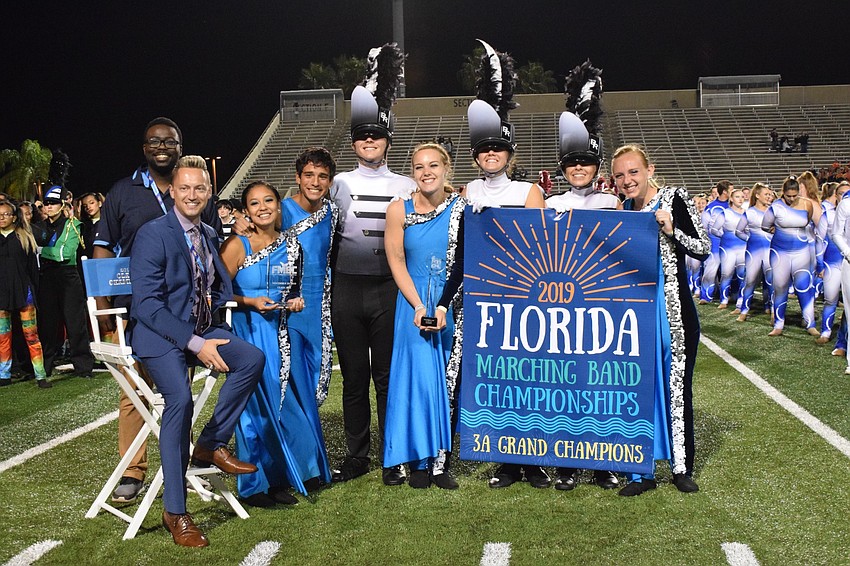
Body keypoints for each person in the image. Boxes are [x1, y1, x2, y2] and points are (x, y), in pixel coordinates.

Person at [129, 156, 263, 548]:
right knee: (180, 400)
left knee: (251, 358)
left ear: (208, 193)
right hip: (160, 338)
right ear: (172, 191)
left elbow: (215, 286)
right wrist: (196, 343)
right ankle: (176, 511)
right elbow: (148, 306)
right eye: (184, 188)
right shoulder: (153, 234)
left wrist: (217, 322)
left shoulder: (207, 232)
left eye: (199, 189)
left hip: (202, 331)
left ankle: (210, 443)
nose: (192, 195)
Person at [93, 117, 223, 504]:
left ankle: (179, 461)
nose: (162, 146)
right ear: (144, 147)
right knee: (135, 393)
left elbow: (213, 249)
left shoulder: (192, 188)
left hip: (183, 314)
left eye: (170, 141)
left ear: (181, 146)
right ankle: (133, 471)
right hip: (134, 309)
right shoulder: (122, 192)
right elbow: (102, 249)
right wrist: (103, 315)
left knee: (177, 389)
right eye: (154, 141)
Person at [463, 40, 548, 489]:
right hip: (485, 299)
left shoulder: (529, 191)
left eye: (498, 149)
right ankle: (506, 459)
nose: (490, 154)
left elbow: (541, 246)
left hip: (526, 295)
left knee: (529, 377)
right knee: (496, 379)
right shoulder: (469, 193)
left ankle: (533, 460)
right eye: (484, 149)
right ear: (477, 155)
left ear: (510, 154)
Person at [330, 44, 416, 486]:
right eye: (362, 137)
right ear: (353, 142)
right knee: (354, 379)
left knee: (387, 377)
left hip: (388, 288)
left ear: (387, 140)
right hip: (346, 287)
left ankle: (393, 453)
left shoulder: (405, 183)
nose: (369, 141)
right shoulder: (338, 183)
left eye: (377, 136)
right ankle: (357, 454)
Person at [611, 144, 710, 496]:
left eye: (633, 172)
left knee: (676, 388)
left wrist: (671, 231)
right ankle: (641, 471)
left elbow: (703, 248)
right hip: (634, 314)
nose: (627, 180)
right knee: (637, 387)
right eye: (620, 175)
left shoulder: (674, 197)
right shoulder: (622, 207)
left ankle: (681, 468)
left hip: (672, 312)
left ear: (649, 169)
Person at [543, 60, 620, 491]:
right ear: (562, 166)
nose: (578, 168)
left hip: (602, 308)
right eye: (571, 162)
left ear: (596, 165)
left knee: (600, 386)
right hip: (560, 305)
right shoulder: (550, 205)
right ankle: (568, 462)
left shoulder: (613, 205)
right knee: (564, 386)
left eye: (585, 162)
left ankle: (603, 461)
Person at [220, 180, 320, 506]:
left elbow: (294, 291)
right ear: (245, 210)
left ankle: (279, 478)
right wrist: (249, 303)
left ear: (279, 206)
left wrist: (295, 302)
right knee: (252, 413)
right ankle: (253, 486)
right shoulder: (239, 244)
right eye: (254, 203)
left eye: (268, 201)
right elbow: (215, 293)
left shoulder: (292, 246)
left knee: (281, 408)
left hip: (279, 337)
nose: (262, 207)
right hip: (246, 336)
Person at [383, 143, 466, 489]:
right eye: (419, 167)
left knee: (444, 381)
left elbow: (463, 261)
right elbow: (397, 261)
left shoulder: (462, 207)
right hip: (411, 302)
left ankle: (439, 461)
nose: (426, 172)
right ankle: (412, 459)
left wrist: (443, 305)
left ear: (446, 168)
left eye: (433, 165)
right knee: (413, 379)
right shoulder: (397, 209)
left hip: (451, 304)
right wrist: (418, 305)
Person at [33, 185, 93, 378]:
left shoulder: (73, 225)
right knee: (48, 325)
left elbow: (64, 254)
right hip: (47, 279)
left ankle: (83, 367)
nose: (49, 206)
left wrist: (40, 251)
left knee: (76, 323)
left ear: (62, 205)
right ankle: (46, 367)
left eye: (53, 203)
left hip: (68, 277)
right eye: (47, 203)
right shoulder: (40, 227)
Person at [0, 199, 49, 388]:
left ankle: (40, 375)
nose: (2, 218)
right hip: (2, 295)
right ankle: (4, 375)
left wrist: (34, 293)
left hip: (24, 293)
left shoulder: (24, 237)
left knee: (31, 336)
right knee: (3, 337)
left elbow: (33, 270)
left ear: (14, 217)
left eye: (6, 214)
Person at [762, 176, 816, 337]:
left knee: (804, 286)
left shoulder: (807, 204)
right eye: (788, 196)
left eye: (794, 195)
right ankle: (779, 324)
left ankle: (810, 323)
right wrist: (778, 231)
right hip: (780, 252)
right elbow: (765, 226)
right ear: (783, 193)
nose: (791, 199)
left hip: (802, 251)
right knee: (780, 287)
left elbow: (807, 222)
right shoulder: (775, 207)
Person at [734, 183, 774, 322]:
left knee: (771, 280)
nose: (769, 197)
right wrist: (750, 239)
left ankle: (773, 310)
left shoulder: (773, 211)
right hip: (753, 251)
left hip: (770, 250)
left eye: (770, 194)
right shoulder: (749, 212)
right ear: (757, 195)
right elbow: (738, 231)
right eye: (766, 194)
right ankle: (744, 310)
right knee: (750, 280)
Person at [815, 181, 848, 343]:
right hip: (832, 263)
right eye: (842, 193)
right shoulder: (827, 215)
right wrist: (819, 264)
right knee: (830, 298)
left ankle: (844, 339)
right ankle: (826, 332)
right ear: (836, 195)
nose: (846, 196)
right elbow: (819, 241)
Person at [711, 188, 746, 311]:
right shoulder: (725, 213)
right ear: (731, 198)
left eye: (742, 197)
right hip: (727, 248)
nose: (740, 199)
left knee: (743, 275)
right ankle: (724, 300)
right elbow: (714, 229)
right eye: (737, 197)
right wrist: (724, 236)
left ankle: (741, 302)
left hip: (743, 247)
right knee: (726, 274)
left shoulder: (747, 213)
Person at [699, 180, 731, 304]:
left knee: (729, 270)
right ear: (724, 192)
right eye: (731, 190)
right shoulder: (711, 207)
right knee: (711, 269)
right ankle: (706, 295)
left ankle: (730, 295)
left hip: (731, 243)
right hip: (715, 242)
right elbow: (704, 226)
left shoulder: (733, 207)